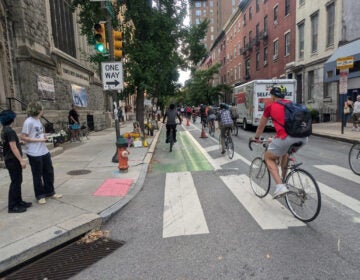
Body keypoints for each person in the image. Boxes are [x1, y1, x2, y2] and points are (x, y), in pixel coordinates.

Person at [252, 85, 308, 199]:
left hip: (287, 138)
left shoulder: (270, 107)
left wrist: (256, 138)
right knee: (284, 152)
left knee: (268, 157)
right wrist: (276, 139)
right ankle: (284, 179)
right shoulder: (293, 104)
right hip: (304, 137)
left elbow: (261, 126)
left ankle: (280, 186)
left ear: (272, 96)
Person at [21, 101, 62, 205]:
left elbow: (38, 134)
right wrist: (38, 140)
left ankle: (50, 192)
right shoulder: (28, 122)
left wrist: (44, 136)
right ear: (38, 110)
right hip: (34, 153)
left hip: (44, 151)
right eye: (41, 109)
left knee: (49, 172)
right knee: (37, 175)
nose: (42, 110)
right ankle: (40, 195)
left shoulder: (38, 120)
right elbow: (23, 136)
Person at [0, 110, 32, 213]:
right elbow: (13, 147)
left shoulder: (4, 130)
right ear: (12, 119)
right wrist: (21, 160)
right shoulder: (10, 131)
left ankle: (19, 201)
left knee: (18, 181)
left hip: (10, 159)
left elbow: (11, 144)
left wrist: (19, 142)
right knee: (15, 182)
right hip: (13, 160)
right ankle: (12, 206)